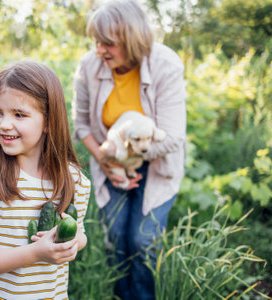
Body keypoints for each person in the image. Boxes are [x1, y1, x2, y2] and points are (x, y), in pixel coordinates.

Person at [72, 1, 187, 299]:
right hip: (109, 160)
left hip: (156, 162)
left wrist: (125, 156)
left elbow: (172, 137)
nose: (99, 50)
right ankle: (120, 295)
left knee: (143, 240)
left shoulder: (166, 64)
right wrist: (106, 161)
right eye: (96, 42)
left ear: (132, 39)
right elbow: (81, 125)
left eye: (108, 43)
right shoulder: (88, 66)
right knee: (116, 238)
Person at [0, 61, 91, 299]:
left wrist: (73, 243)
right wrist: (35, 253)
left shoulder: (75, 180)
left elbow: (79, 234)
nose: (4, 124)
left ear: (49, 121)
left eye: (19, 114)